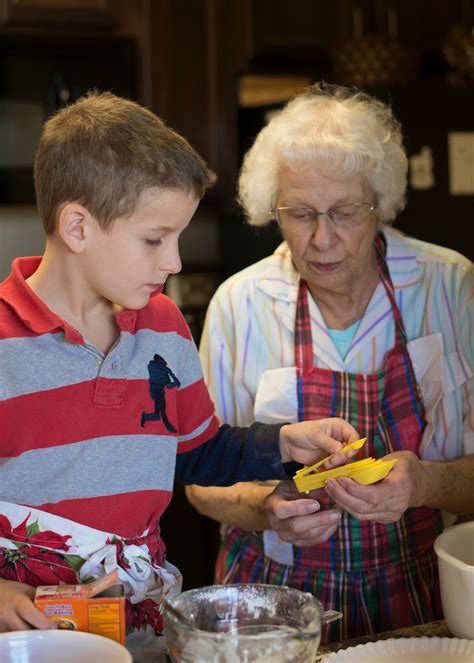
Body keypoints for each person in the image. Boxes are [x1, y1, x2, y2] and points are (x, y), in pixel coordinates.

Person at [0, 92, 360, 659]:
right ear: (76, 226)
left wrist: (285, 442)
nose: (175, 261)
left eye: (179, 237)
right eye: (154, 239)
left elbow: (196, 453)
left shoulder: (164, 327)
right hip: (33, 643)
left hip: (145, 637)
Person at [186, 83, 474, 643]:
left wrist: (426, 483)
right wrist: (264, 506)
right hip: (269, 610)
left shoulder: (452, 288)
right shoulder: (240, 304)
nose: (320, 239)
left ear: (380, 204)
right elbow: (197, 481)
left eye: (343, 212)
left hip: (422, 598)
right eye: (298, 214)